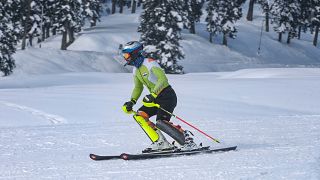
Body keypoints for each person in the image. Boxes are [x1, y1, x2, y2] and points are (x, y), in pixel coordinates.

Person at [121, 41, 197, 152]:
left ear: (135, 53)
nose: (125, 58)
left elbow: (163, 79)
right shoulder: (136, 69)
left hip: (167, 95)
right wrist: (132, 101)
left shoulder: (150, 63)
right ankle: (161, 143)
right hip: (154, 98)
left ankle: (188, 141)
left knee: (161, 122)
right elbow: (138, 87)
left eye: (127, 55)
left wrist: (153, 94)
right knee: (140, 116)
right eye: (124, 55)